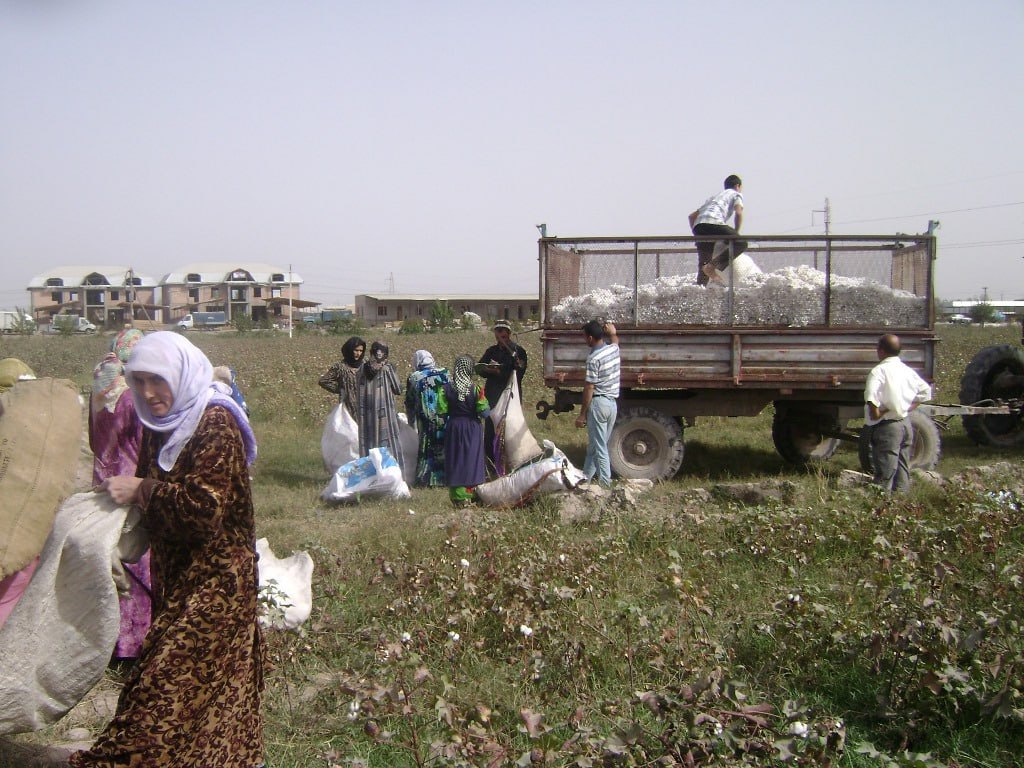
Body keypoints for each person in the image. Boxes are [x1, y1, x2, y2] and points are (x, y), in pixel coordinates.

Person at [70, 331, 265, 768]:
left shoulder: (215, 423)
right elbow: (146, 482)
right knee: (202, 693)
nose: (148, 393)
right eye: (138, 382)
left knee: (161, 693)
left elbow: (204, 511)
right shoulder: (159, 425)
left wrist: (142, 490)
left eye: (157, 380)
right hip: (177, 576)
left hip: (218, 585)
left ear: (180, 374)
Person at [88, 327, 150, 660]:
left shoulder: (100, 385)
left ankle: (107, 642)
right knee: (133, 558)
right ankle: (133, 643)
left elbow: (91, 437)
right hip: (128, 482)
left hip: (102, 479)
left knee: (107, 559)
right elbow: (142, 442)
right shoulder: (130, 394)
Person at [863, 333, 932, 493]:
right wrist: (906, 407)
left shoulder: (879, 371)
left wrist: (879, 413)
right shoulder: (906, 370)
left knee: (885, 472)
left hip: (888, 426)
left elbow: (871, 398)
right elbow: (925, 392)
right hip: (905, 424)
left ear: (880, 350)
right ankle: (901, 506)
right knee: (902, 469)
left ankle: (881, 509)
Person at [476, 320, 528, 474]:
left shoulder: (518, 351)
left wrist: (501, 372)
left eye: (503, 331)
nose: (501, 335)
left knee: (510, 429)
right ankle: (491, 465)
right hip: (493, 395)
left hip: (510, 395)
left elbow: (519, 372)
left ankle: (512, 465)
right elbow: (481, 368)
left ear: (509, 333)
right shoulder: (491, 351)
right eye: (498, 331)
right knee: (491, 429)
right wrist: (489, 370)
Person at [438, 355, 489, 505]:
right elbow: (484, 412)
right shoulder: (476, 389)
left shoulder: (445, 389)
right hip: (472, 428)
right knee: (471, 459)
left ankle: (457, 497)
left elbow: (441, 410)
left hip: (454, 427)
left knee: (456, 459)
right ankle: (472, 494)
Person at [575, 319, 620, 487]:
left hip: (599, 404)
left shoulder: (593, 359)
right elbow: (615, 341)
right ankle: (585, 479)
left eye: (585, 337)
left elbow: (589, 387)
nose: (585, 340)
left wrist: (582, 414)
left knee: (600, 447)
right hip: (612, 405)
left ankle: (605, 484)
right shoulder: (613, 351)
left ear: (591, 338)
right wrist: (613, 333)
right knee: (595, 446)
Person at [689, 174, 748, 286]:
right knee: (741, 243)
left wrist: (697, 235)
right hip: (714, 222)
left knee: (704, 262)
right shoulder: (736, 194)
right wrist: (735, 235)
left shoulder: (714, 198)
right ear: (737, 186)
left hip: (699, 226)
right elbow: (739, 213)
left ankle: (699, 291)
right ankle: (712, 266)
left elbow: (691, 217)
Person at [357, 341, 404, 473]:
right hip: (385, 415)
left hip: (366, 415)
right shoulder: (387, 368)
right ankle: (389, 474)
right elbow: (398, 389)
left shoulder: (362, 368)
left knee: (369, 443)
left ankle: (371, 475)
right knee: (387, 442)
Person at [404, 349, 450, 487]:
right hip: (444, 417)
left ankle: (427, 479)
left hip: (426, 418)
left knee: (427, 447)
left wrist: (410, 420)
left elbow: (410, 401)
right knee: (443, 445)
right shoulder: (445, 373)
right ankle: (444, 477)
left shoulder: (415, 377)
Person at [319, 336, 366, 420]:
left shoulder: (366, 365)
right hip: (348, 408)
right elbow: (324, 381)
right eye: (356, 350)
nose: (358, 353)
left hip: (365, 407)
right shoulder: (340, 367)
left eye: (361, 351)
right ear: (349, 349)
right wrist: (340, 389)